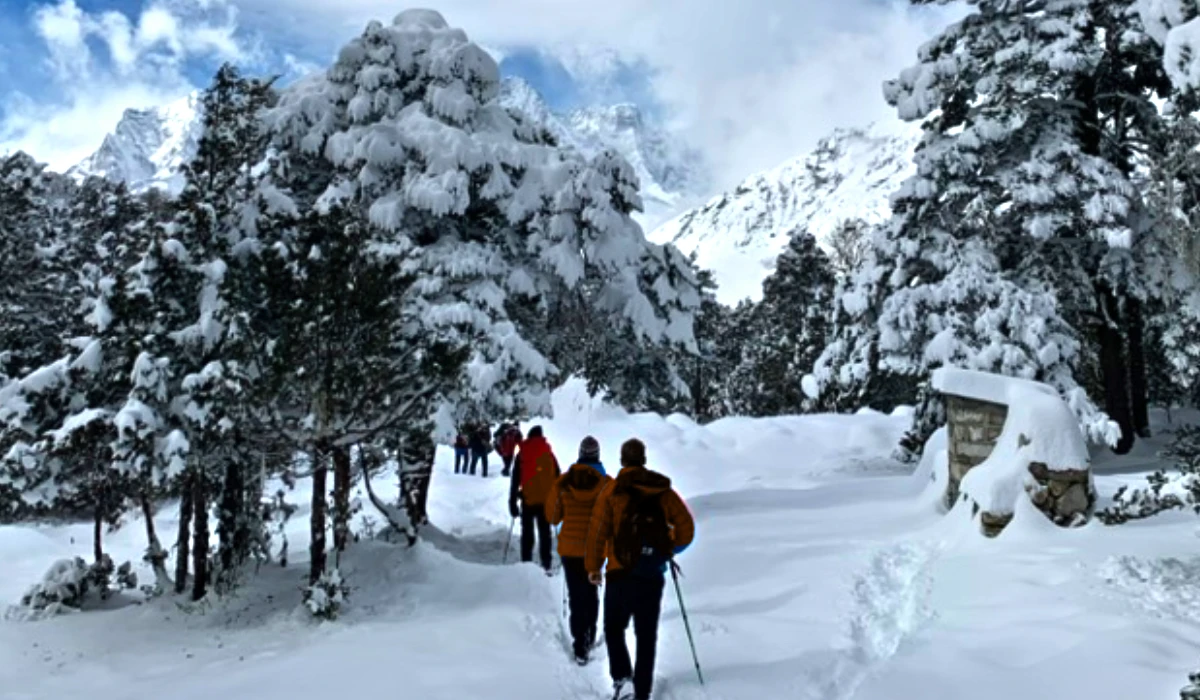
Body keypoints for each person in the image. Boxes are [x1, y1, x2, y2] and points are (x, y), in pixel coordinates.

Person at [585, 439, 695, 700]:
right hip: (651, 574)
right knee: (646, 636)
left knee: (614, 628)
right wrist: (667, 550)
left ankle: (623, 681)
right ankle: (642, 691)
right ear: (643, 459)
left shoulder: (612, 491)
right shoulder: (662, 491)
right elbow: (687, 530)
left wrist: (593, 567)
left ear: (622, 460)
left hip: (618, 572)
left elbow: (598, 533)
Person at [546, 436, 610, 665]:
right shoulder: (606, 484)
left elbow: (552, 516)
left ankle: (579, 645)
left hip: (569, 550)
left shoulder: (564, 482)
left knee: (575, 596)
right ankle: (589, 637)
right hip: (595, 549)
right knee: (591, 594)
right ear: (597, 455)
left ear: (580, 453)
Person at [508, 425, 560, 573]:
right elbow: (558, 476)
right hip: (545, 500)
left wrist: (512, 502)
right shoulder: (549, 453)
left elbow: (515, 479)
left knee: (527, 532)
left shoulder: (523, 453)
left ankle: (526, 563)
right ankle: (546, 563)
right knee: (545, 532)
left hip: (528, 499)